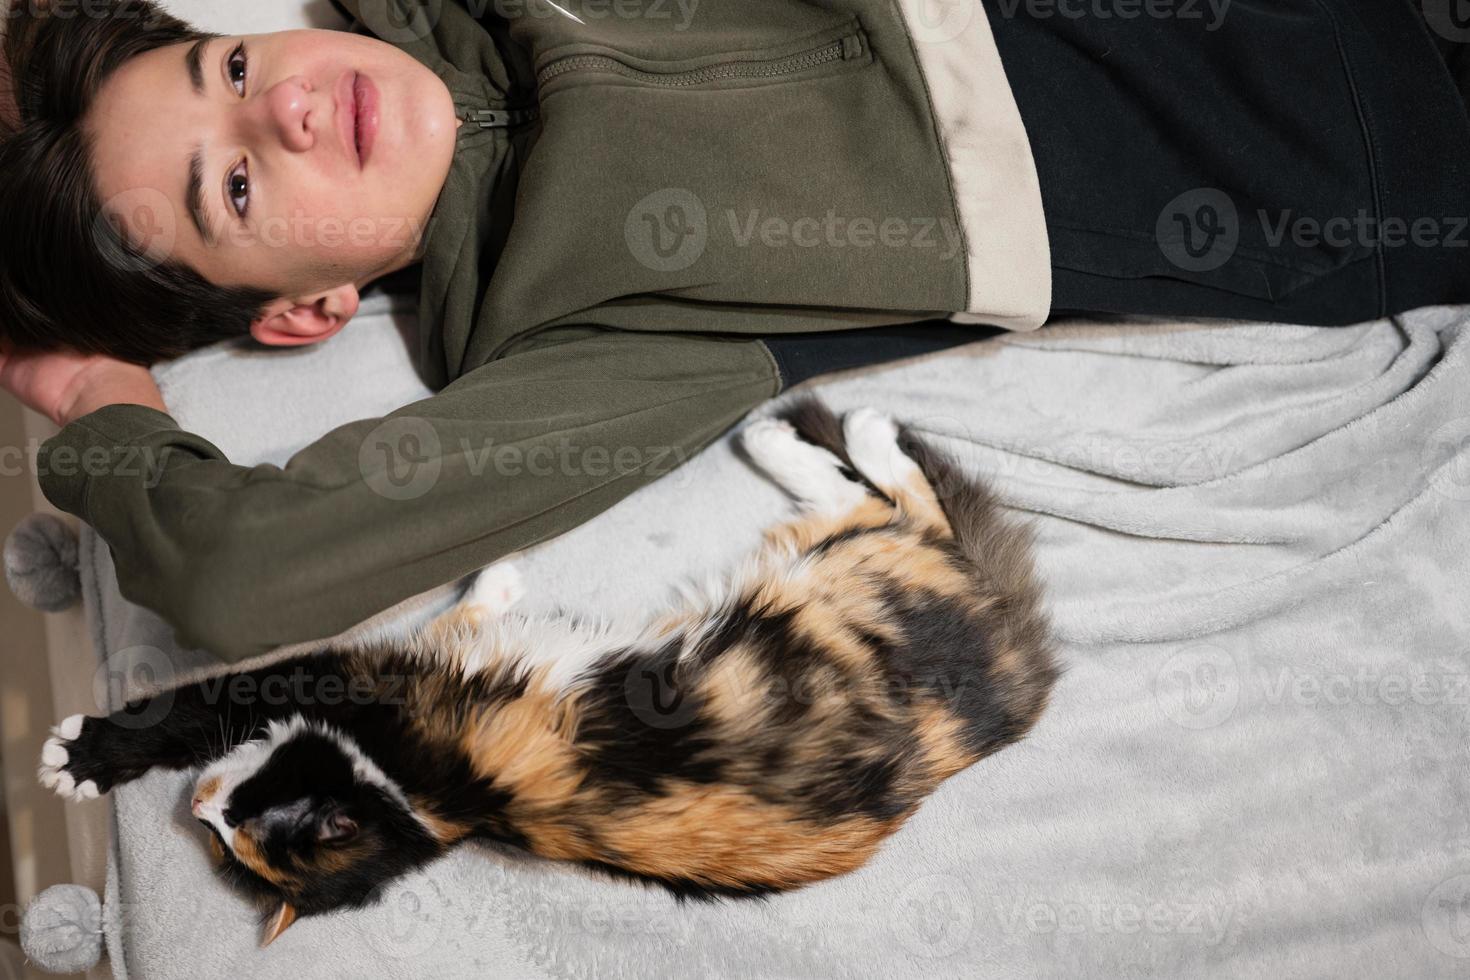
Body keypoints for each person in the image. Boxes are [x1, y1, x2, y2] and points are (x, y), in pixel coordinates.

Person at [1, 0, 1466, 661]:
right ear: (304, 314)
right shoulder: (584, 330)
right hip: (1338, 130)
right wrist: (108, 411)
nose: (291, 103)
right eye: (239, 183)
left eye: (232, 63)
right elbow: (242, 569)